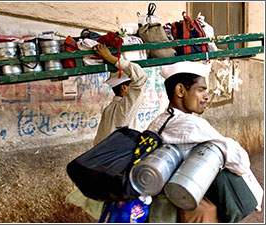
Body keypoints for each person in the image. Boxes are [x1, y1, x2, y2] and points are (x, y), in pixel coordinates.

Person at [146, 61, 263, 223]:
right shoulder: (191, 125)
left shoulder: (159, 121)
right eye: (200, 90)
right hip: (191, 206)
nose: (206, 96)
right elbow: (240, 162)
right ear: (180, 90)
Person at [66, 43, 148, 220]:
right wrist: (113, 60)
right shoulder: (124, 108)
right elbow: (141, 78)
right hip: (120, 171)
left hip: (106, 170)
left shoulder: (109, 109)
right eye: (130, 87)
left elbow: (98, 142)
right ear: (125, 88)